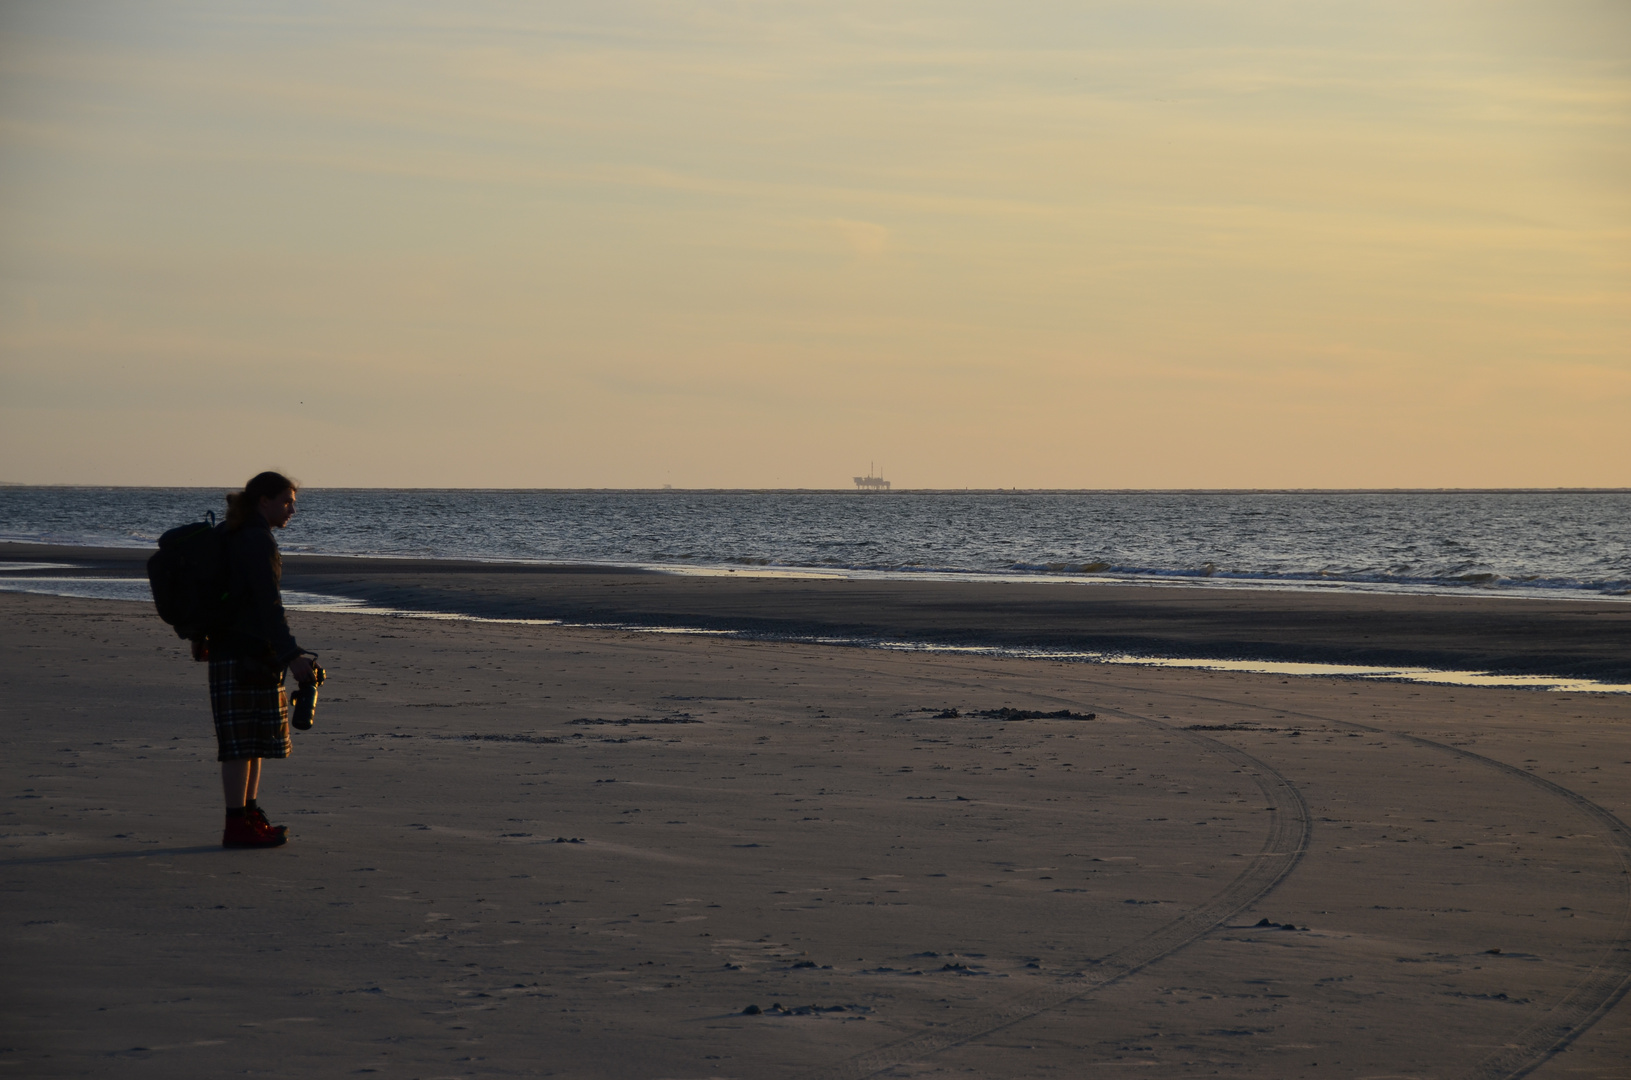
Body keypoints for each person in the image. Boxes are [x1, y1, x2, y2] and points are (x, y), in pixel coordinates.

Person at [193, 471, 318, 849]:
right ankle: (237, 824)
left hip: (241, 650)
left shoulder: (233, 533)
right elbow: (268, 604)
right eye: (286, 501)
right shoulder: (254, 539)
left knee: (253, 742)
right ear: (264, 500)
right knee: (240, 744)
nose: (292, 509)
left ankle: (249, 816)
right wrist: (292, 654)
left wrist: (200, 635)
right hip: (243, 652)